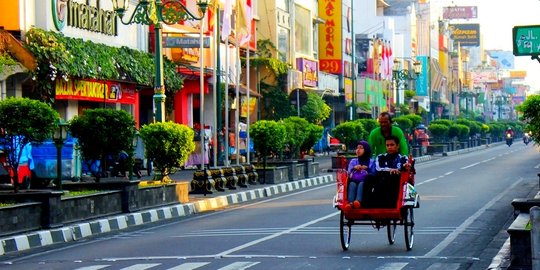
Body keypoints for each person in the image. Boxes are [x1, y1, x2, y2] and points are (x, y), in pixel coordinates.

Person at [364, 135, 410, 208]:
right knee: (369, 177)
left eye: (392, 145)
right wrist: (390, 170)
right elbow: (378, 168)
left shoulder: (403, 158)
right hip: (381, 181)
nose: (389, 147)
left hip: (396, 184)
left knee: (393, 176)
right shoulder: (381, 157)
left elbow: (406, 168)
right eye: (387, 145)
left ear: (397, 146)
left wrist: (403, 167)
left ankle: (392, 204)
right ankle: (366, 203)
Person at [344, 141, 375, 210]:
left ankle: (358, 201)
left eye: (361, 148)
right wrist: (354, 168)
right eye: (357, 148)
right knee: (352, 184)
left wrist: (367, 168)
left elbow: (374, 173)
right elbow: (349, 172)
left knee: (361, 184)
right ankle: (350, 203)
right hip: (354, 180)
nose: (358, 150)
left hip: (366, 183)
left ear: (366, 150)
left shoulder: (372, 161)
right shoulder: (353, 161)